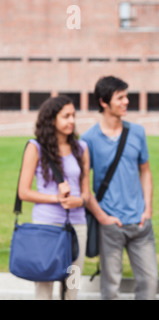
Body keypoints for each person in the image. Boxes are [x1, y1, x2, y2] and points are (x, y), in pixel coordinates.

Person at [81, 76, 158, 300]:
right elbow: (84, 186)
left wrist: (148, 210)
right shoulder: (89, 140)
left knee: (149, 282)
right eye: (120, 97)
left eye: (126, 96)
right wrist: (103, 217)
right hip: (110, 225)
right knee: (110, 287)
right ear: (104, 102)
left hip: (140, 224)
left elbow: (145, 171)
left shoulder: (137, 132)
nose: (126, 102)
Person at [17, 95, 89, 300]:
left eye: (73, 115)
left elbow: (86, 193)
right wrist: (56, 199)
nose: (72, 120)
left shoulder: (82, 148)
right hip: (47, 226)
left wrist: (79, 200)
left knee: (72, 286)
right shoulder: (35, 147)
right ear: (51, 119)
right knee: (44, 287)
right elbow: (23, 192)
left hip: (77, 227)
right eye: (66, 116)